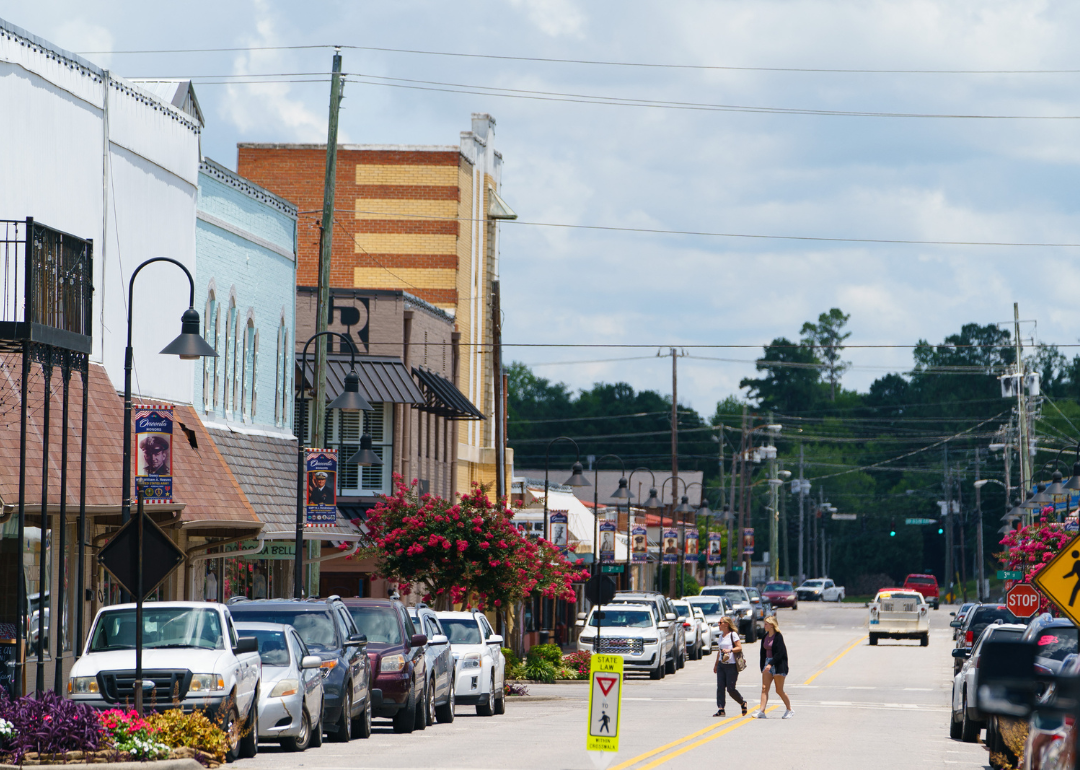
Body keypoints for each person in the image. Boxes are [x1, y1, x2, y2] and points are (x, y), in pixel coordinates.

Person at [754, 615, 793, 719]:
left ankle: (789, 709)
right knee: (764, 688)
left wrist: (771, 664)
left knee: (779, 690)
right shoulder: (765, 637)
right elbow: (762, 653)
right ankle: (762, 711)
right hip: (767, 664)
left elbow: (780, 654)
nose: (764, 625)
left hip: (778, 665)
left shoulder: (778, 637)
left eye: (766, 623)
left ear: (772, 625)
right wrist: (763, 666)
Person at [712, 615, 747, 717]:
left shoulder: (733, 635)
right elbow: (719, 652)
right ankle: (721, 709)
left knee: (731, 689)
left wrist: (730, 650)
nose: (718, 624)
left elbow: (739, 648)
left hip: (731, 665)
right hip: (721, 665)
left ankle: (742, 702)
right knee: (720, 687)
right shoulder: (720, 637)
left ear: (726, 624)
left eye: (720, 623)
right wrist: (716, 664)